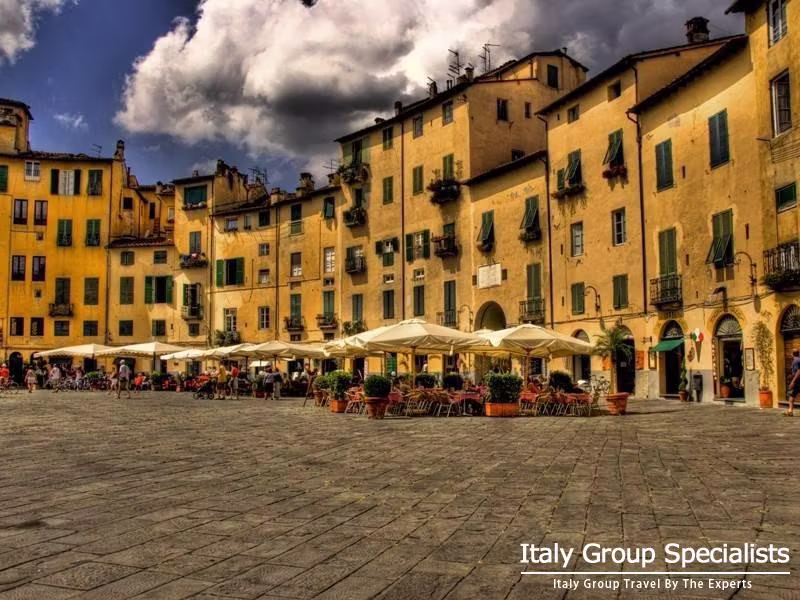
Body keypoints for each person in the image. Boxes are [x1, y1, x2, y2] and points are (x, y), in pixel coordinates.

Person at [786, 350, 800, 416]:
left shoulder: (796, 361)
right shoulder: (798, 360)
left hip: (797, 381)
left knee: (791, 395)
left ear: (792, 354)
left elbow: (798, 371)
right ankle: (790, 411)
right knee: (792, 395)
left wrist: (793, 381)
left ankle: (790, 411)